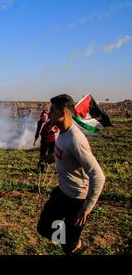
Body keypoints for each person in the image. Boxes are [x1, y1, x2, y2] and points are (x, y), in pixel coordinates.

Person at [37, 94, 106, 255]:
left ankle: (74, 245)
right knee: (44, 228)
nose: (49, 114)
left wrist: (87, 208)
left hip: (77, 201)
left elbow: (98, 175)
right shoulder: (61, 132)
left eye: (53, 111)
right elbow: (66, 154)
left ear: (63, 113)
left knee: (70, 247)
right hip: (62, 192)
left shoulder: (75, 140)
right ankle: (70, 241)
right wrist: (52, 157)